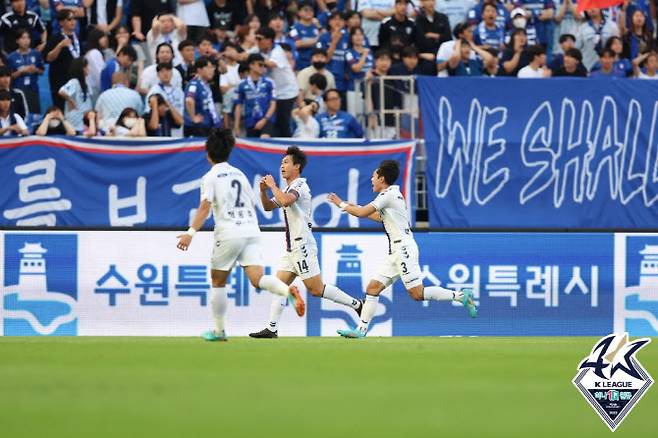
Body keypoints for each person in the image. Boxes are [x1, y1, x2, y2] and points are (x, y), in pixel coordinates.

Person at [176, 128, 306, 342]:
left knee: (218, 281)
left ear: (208, 153)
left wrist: (190, 233)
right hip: (251, 230)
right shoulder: (240, 174)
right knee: (257, 279)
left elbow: (204, 208)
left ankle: (219, 331)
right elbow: (252, 204)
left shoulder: (210, 177)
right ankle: (286, 290)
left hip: (229, 231)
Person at [327, 160, 477, 338]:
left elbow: (362, 213)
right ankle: (361, 330)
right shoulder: (391, 195)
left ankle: (460, 296)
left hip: (404, 249)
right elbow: (377, 216)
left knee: (417, 293)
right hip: (396, 252)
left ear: (382, 178)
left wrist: (341, 204)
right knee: (372, 288)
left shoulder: (388, 195)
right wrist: (352, 206)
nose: (371, 179)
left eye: (374, 176)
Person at [249, 147, 363, 338]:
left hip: (302, 246)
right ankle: (272, 328)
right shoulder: (286, 189)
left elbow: (285, 201)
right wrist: (263, 192)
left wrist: (272, 186)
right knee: (279, 286)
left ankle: (357, 304)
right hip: (291, 248)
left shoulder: (300, 186)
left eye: (286, 162)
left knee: (316, 289)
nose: (282, 165)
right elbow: (269, 206)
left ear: (297, 166)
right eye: (281, 162)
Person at [257, 26, 297, 137]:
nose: (257, 41)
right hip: (275, 93)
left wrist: (253, 57)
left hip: (287, 92)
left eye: (260, 39)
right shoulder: (260, 51)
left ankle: (290, 150)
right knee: (275, 124)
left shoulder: (277, 50)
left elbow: (271, 64)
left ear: (269, 40)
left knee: (285, 124)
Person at [45, 9, 81, 110]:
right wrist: (60, 46)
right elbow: (48, 58)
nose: (73, 22)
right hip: (60, 80)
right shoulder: (55, 38)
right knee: (61, 108)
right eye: (69, 19)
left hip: (75, 79)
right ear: (61, 22)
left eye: (74, 19)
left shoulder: (77, 37)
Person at [234, 53, 276, 138]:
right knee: (253, 146)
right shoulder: (241, 84)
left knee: (265, 138)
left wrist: (265, 119)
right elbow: (238, 106)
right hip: (250, 120)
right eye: (260, 65)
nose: (263, 68)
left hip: (266, 119)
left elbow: (273, 104)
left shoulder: (269, 82)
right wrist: (236, 126)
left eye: (264, 65)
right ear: (251, 65)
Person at [316, 11, 349, 107]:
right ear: (329, 22)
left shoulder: (348, 37)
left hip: (343, 80)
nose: (338, 22)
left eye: (341, 19)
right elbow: (324, 59)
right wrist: (334, 42)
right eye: (335, 19)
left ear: (345, 23)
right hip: (328, 77)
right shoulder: (324, 38)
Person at [6, 28, 43, 114]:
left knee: (35, 114)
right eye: (23, 38)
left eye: (28, 38)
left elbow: (42, 71)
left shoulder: (36, 54)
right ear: (17, 40)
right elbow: (9, 76)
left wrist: (35, 70)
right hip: (18, 90)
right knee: (20, 114)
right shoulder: (11, 57)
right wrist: (21, 71)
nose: (26, 41)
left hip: (33, 89)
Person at [184, 56, 221, 136]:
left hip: (209, 126)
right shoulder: (194, 84)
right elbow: (189, 100)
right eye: (208, 67)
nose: (212, 70)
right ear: (199, 70)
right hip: (199, 127)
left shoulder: (206, 84)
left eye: (213, 67)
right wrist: (193, 117)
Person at [146, 62, 184, 137]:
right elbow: (149, 112)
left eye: (168, 70)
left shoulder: (179, 91)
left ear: (172, 73)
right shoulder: (154, 91)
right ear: (158, 75)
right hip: (162, 131)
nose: (165, 73)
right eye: (162, 71)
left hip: (179, 131)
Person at [58, 58, 92, 132]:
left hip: (84, 119)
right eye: (86, 66)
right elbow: (61, 91)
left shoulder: (87, 84)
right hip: (75, 120)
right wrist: (71, 101)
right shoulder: (74, 82)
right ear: (82, 68)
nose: (88, 68)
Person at [345, 26, 373, 116]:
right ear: (351, 37)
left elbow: (372, 68)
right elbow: (356, 68)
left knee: (368, 116)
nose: (358, 37)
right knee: (355, 116)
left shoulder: (370, 53)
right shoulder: (349, 53)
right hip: (354, 89)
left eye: (360, 34)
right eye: (355, 34)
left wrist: (370, 74)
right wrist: (364, 55)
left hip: (368, 89)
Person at [289, 2, 321, 70]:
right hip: (301, 64)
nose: (309, 12)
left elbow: (324, 38)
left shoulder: (316, 27)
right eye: (306, 10)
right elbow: (298, 43)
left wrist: (318, 25)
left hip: (315, 64)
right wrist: (317, 39)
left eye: (311, 10)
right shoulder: (294, 28)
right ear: (299, 12)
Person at [84, 29, 109, 100]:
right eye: (102, 37)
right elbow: (99, 74)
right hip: (94, 90)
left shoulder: (93, 53)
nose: (105, 39)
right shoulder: (94, 53)